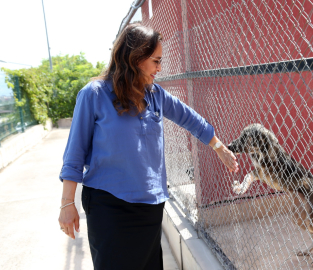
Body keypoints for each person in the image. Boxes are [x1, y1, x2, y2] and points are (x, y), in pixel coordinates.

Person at [58, 23, 239, 270]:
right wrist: (68, 204)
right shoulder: (94, 94)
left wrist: (218, 146)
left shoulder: (155, 95)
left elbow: (190, 118)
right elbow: (74, 154)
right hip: (109, 207)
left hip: (150, 207)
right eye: (155, 61)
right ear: (135, 58)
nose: (159, 68)